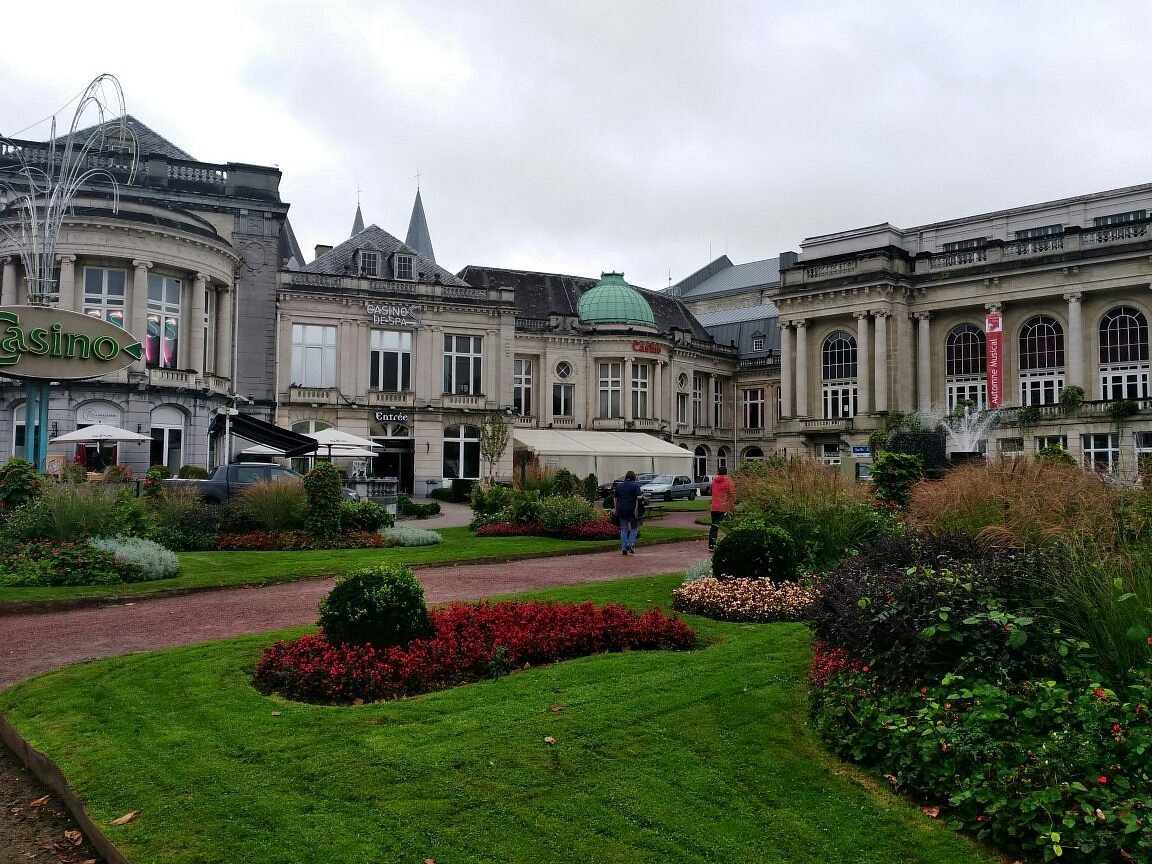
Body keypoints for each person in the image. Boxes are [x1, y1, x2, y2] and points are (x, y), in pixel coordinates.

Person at [613, 470, 645, 555]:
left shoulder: (619, 486)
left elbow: (615, 498)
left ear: (626, 477)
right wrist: (643, 497)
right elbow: (638, 497)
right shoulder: (635, 486)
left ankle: (623, 548)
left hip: (621, 509)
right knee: (634, 527)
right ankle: (629, 544)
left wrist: (616, 508)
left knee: (624, 529)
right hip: (631, 509)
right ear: (634, 477)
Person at [708, 465, 736, 552]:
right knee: (728, 526)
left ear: (718, 472)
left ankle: (712, 545)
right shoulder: (729, 482)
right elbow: (732, 494)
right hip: (724, 507)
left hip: (714, 507)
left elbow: (711, 491)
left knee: (714, 526)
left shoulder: (713, 482)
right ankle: (729, 544)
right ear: (726, 472)